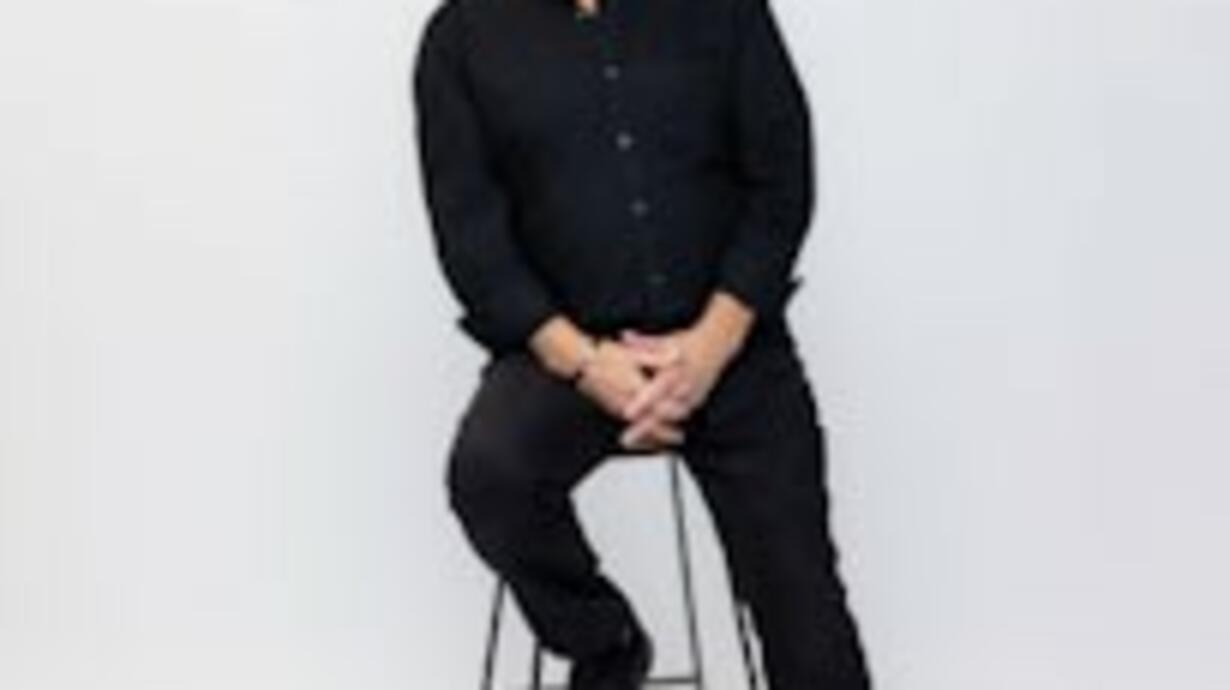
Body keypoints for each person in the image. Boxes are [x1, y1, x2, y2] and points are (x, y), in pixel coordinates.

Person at [411, 0, 873, 686]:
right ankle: (606, 642)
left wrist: (710, 348)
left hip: (729, 346)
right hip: (566, 357)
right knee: (491, 477)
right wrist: (585, 363)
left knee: (805, 616)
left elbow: (782, 181)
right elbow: (471, 238)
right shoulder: (462, 37)